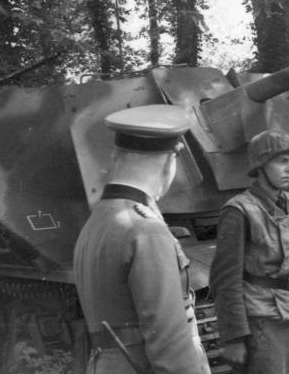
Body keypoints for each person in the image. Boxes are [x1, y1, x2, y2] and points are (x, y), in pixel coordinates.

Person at [73, 104, 210, 374]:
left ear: (116, 155)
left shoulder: (98, 221)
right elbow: (171, 345)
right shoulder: (146, 229)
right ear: (170, 162)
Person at [210, 130, 289, 374]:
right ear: (261, 165)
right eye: (281, 161)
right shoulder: (238, 210)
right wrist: (234, 337)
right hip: (262, 318)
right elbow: (225, 279)